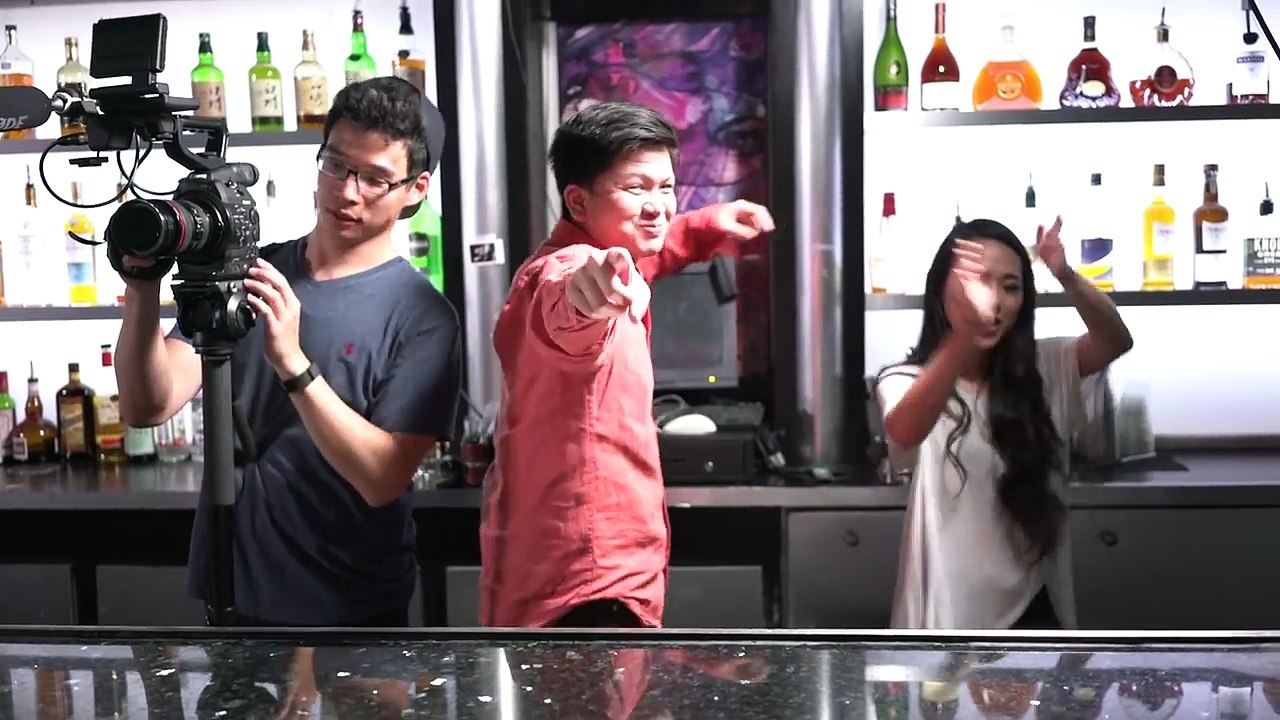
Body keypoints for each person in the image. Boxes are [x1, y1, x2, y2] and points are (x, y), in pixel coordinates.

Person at [114, 77, 462, 631]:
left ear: (416, 189)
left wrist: (292, 363)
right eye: (336, 165)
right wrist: (141, 289)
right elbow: (147, 405)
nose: (348, 192)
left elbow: (382, 478)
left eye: (375, 179)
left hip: (352, 611)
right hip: (233, 596)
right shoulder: (252, 273)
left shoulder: (423, 316)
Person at [479, 100, 775, 631]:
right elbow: (569, 299)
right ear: (577, 200)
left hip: (569, 571)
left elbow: (649, 252)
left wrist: (703, 227)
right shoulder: (563, 271)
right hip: (587, 585)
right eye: (636, 189)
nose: (658, 205)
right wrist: (589, 295)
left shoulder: (608, 245)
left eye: (666, 187)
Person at [876, 217, 1133, 630]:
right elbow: (906, 429)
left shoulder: (1044, 368)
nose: (993, 301)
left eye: (1010, 287)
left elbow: (1115, 340)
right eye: (977, 282)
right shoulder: (906, 380)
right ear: (941, 291)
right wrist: (964, 335)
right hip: (948, 620)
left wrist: (1064, 273)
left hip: (1034, 609)